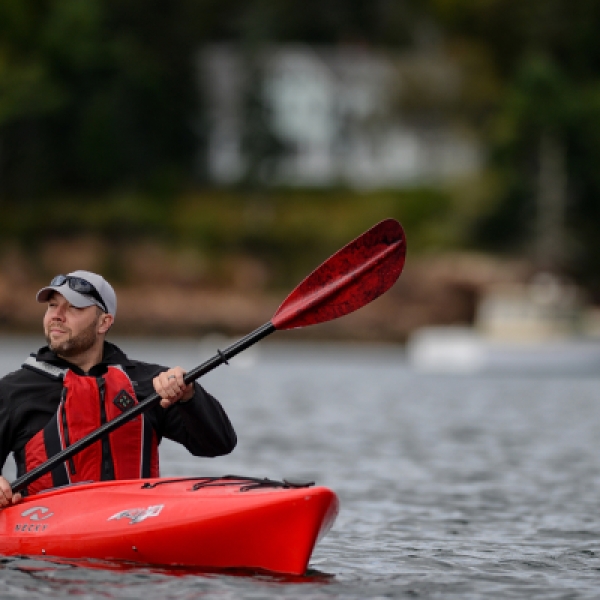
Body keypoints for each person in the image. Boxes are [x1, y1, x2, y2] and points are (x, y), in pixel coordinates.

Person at [0, 270, 237, 505]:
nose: (57, 315)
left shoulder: (150, 383)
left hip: (136, 523)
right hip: (48, 530)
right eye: (52, 305)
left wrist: (190, 396)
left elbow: (219, 445)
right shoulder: (14, 391)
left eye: (74, 307)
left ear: (104, 322)